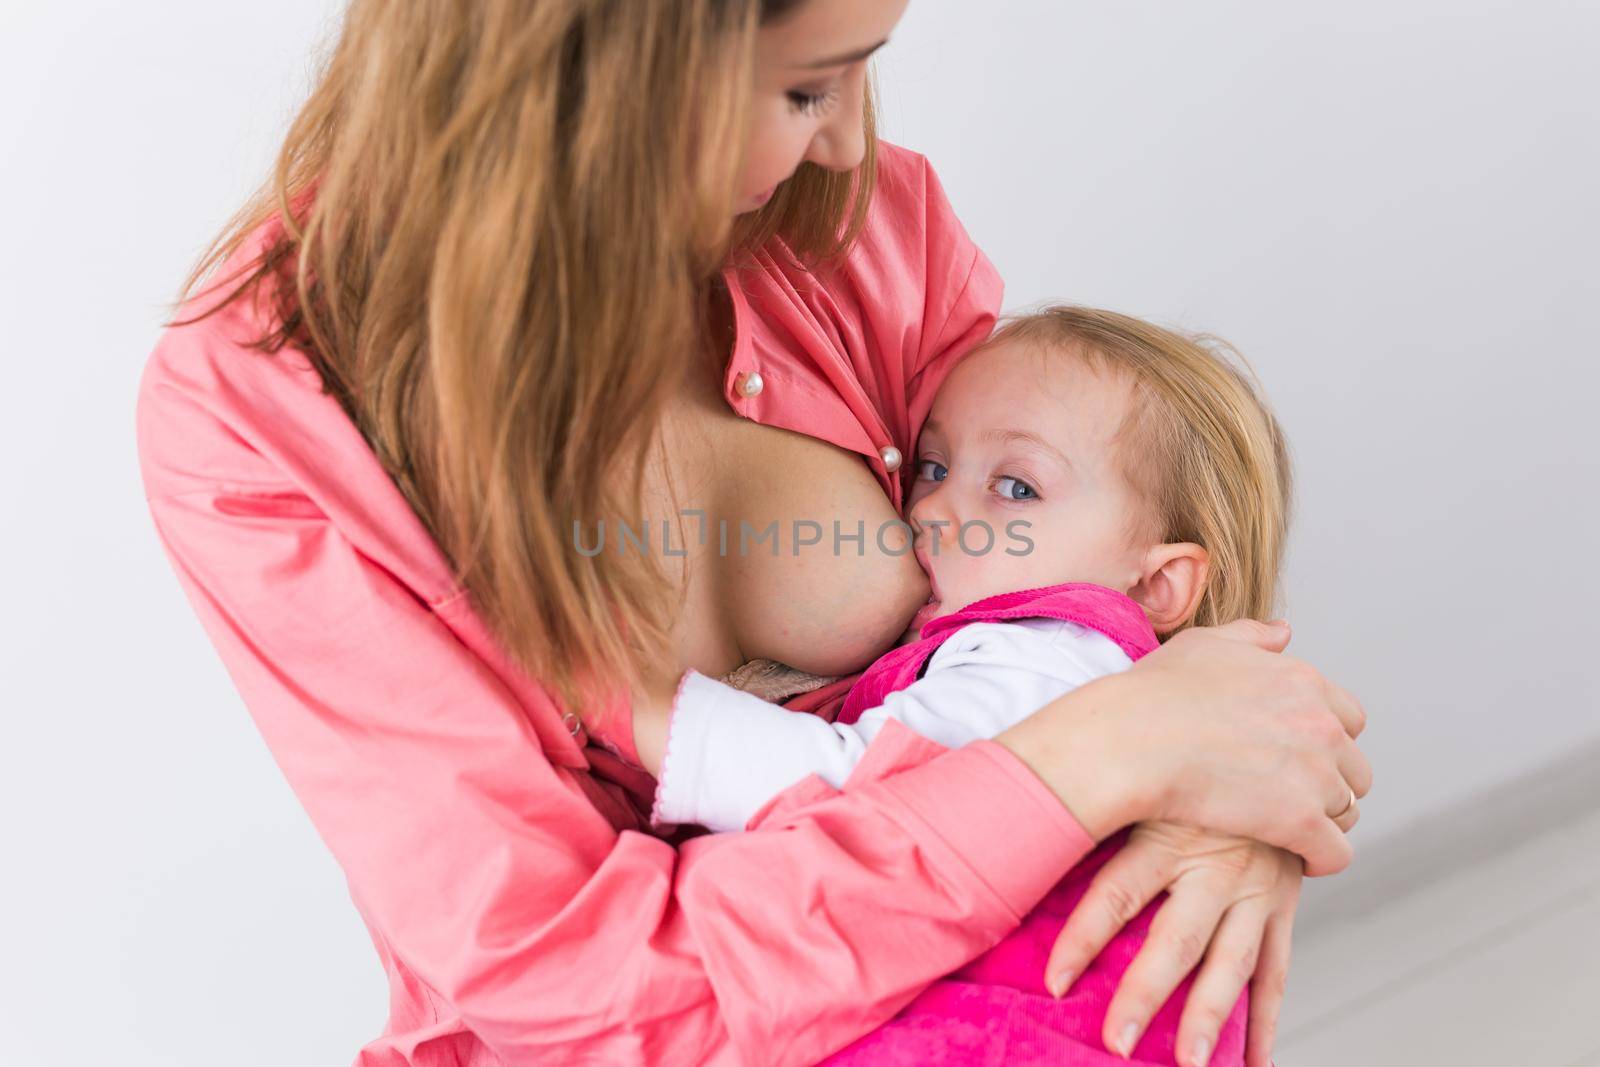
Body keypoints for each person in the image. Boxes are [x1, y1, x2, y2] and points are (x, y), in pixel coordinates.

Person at [134, 2, 1370, 1065]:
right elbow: (570, 984)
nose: (846, 138)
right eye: (802, 86)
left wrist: (1218, 798)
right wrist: (1090, 768)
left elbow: (1098, 582)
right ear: (600, 64)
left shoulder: (863, 230)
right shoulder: (266, 411)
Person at [640, 305, 1309, 1065]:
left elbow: (852, 788)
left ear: (1157, 584)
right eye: (933, 466)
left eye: (1016, 488)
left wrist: (643, 710)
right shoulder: (1088, 672)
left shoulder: (1048, 655)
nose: (932, 508)